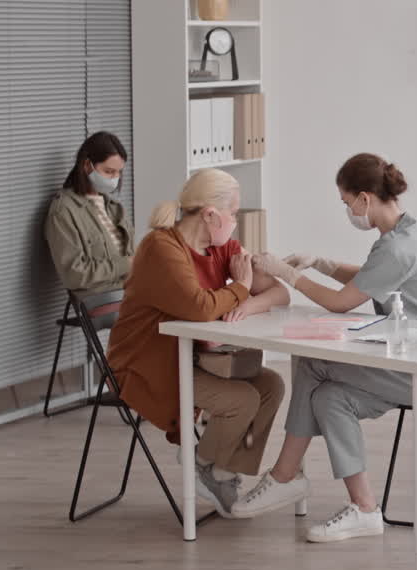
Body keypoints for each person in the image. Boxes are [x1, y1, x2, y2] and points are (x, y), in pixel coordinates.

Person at [235, 153, 417, 543]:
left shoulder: (399, 246)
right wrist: (321, 263)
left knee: (312, 363)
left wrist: (288, 274)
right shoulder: (401, 233)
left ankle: (285, 474)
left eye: (347, 203)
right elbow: (369, 280)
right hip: (413, 357)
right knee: (329, 398)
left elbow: (342, 302)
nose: (348, 210)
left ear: (364, 198)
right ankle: (364, 510)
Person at [106, 169, 289, 516]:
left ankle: (222, 469)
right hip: (149, 366)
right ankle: (201, 460)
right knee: (242, 399)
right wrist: (240, 287)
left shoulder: (221, 248)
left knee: (273, 385)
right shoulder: (161, 248)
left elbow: (279, 293)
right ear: (209, 214)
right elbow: (199, 308)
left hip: (196, 359)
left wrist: (246, 301)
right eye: (233, 213)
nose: (236, 221)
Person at [45, 131, 135, 297]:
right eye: (109, 171)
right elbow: (74, 274)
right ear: (87, 166)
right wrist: (126, 264)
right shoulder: (64, 211)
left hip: (130, 293)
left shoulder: (115, 208)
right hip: (105, 300)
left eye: (119, 172)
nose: (115, 178)